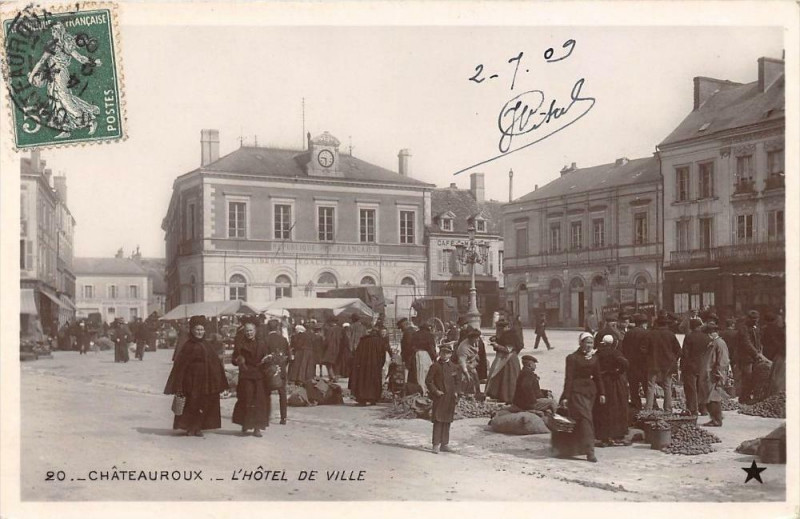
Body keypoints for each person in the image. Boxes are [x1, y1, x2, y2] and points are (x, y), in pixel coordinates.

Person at [27, 22, 102, 139]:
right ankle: (65, 128)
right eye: (53, 31)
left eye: (55, 31)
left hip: (60, 75)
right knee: (56, 101)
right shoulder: (56, 44)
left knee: (65, 99)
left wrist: (32, 75)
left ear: (60, 31)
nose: (53, 33)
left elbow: (79, 58)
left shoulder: (64, 44)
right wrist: (94, 63)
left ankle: (90, 121)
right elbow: (43, 61)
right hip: (52, 75)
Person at [164, 315, 229, 437]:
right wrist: (179, 383)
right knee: (191, 403)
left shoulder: (207, 345)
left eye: (202, 330)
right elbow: (180, 365)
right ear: (192, 330)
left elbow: (215, 363)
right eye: (197, 329)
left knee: (202, 403)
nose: (200, 332)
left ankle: (198, 427)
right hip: (190, 380)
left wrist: (217, 379)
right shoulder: (188, 345)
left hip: (205, 380)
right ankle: (189, 427)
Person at [560, 332, 606, 463]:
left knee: (581, 420)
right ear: (580, 343)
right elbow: (569, 378)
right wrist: (565, 396)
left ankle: (572, 449)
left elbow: (598, 377)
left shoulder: (594, 358)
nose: (589, 345)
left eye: (591, 343)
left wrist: (602, 393)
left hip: (590, 393)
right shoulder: (572, 358)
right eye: (587, 342)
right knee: (586, 420)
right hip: (576, 392)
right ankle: (590, 452)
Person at [231, 317, 270, 436]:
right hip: (246, 375)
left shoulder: (262, 344)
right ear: (244, 332)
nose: (249, 333)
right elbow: (234, 359)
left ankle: (257, 427)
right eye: (247, 331)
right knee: (246, 399)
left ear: (255, 331)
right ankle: (245, 423)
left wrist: (267, 360)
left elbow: (267, 357)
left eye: (251, 330)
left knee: (259, 401)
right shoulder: (240, 344)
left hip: (259, 376)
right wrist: (238, 360)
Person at [593, 335, 629, 446]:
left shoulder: (598, 353)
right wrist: (618, 372)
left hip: (602, 382)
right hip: (614, 381)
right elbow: (625, 363)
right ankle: (616, 434)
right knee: (617, 406)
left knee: (603, 408)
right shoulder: (615, 352)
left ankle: (603, 434)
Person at [426, 342, 461, 454]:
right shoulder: (435, 366)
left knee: (447, 420)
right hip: (440, 397)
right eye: (443, 353)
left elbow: (458, 381)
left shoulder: (454, 367)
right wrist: (435, 391)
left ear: (450, 354)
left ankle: (444, 444)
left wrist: (456, 392)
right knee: (438, 420)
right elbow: (428, 381)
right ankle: (436, 444)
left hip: (450, 398)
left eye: (447, 353)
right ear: (440, 353)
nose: (445, 355)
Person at [644, 315, 681, 412]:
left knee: (651, 386)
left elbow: (643, 349)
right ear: (666, 324)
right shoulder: (671, 334)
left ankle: (648, 408)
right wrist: (674, 359)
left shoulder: (651, 334)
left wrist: (648, 358)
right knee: (667, 386)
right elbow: (678, 350)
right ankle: (668, 408)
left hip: (653, 364)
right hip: (668, 365)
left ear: (657, 323)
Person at [485, 319, 523, 403]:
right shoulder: (505, 334)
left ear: (505, 327)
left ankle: (507, 396)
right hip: (503, 357)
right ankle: (499, 395)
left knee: (507, 378)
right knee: (501, 377)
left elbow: (508, 350)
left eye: (500, 328)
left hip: (508, 359)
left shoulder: (510, 336)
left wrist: (496, 345)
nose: (498, 330)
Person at [350, 328, 391, 405]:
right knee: (374, 381)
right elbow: (383, 355)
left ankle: (362, 399)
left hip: (363, 365)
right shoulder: (380, 341)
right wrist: (381, 364)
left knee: (363, 380)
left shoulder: (363, 341)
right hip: (375, 365)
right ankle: (373, 399)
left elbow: (357, 354)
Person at [700, 322, 730, 427]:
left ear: (714, 332)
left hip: (714, 375)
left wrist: (719, 374)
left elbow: (723, 361)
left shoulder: (720, 343)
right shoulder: (713, 343)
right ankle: (715, 418)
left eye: (709, 333)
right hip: (709, 374)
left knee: (714, 398)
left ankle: (717, 420)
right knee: (709, 397)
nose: (708, 335)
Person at [680, 318, 710, 416]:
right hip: (703, 365)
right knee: (702, 388)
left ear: (691, 327)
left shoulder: (689, 337)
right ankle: (703, 408)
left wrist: (682, 366)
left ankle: (693, 409)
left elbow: (685, 353)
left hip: (691, 366)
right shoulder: (707, 337)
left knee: (691, 388)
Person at [737, 310, 767, 404]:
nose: (755, 321)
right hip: (746, 358)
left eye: (757, 319)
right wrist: (756, 354)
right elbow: (746, 343)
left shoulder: (756, 328)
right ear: (748, 319)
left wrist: (760, 350)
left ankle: (750, 396)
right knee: (747, 377)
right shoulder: (743, 328)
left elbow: (759, 340)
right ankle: (744, 398)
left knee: (754, 377)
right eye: (753, 319)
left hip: (756, 357)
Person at [264, 319, 291, 425]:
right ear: (278, 327)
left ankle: (267, 416)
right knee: (282, 393)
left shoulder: (265, 340)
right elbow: (288, 356)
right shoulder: (283, 339)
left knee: (267, 393)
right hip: (281, 368)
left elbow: (263, 355)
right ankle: (283, 417)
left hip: (269, 369)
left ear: (268, 328)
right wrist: (283, 365)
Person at [621, 313, 649, 409]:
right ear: (644, 323)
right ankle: (650, 405)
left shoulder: (628, 333)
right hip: (643, 364)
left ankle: (636, 404)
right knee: (646, 385)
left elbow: (624, 348)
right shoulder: (647, 333)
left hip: (631, 363)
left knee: (633, 386)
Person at [408, 323, 437, 396]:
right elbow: (431, 347)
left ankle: (421, 390)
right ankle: (426, 390)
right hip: (426, 354)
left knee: (419, 373)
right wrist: (434, 357)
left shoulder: (415, 334)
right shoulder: (429, 335)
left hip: (417, 354)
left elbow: (411, 346)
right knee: (427, 372)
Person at [761, 312, 786, 396]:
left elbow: (764, 342)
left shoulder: (767, 329)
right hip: (781, 355)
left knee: (776, 378)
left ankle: (775, 395)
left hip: (779, 355)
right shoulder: (779, 330)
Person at [456, 328, 482, 396]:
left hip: (472, 365)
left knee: (475, 381)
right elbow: (462, 362)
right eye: (477, 338)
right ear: (471, 338)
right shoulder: (463, 348)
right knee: (466, 382)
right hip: (464, 367)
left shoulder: (475, 342)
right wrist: (466, 373)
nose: (478, 339)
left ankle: (476, 395)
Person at [321, 317, 343, 382]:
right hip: (339, 348)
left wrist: (323, 345)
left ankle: (332, 377)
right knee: (336, 363)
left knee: (328, 363)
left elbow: (327, 340)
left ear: (331, 322)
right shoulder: (341, 329)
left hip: (330, 348)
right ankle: (336, 376)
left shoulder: (330, 330)